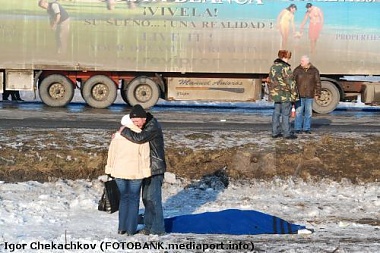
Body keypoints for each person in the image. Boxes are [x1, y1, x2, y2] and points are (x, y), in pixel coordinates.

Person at [118, 104, 166, 235]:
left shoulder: (152, 126)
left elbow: (140, 138)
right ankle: (149, 227)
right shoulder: (145, 125)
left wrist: (124, 131)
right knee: (146, 199)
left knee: (153, 199)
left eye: (137, 121)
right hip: (147, 168)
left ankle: (158, 229)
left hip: (155, 169)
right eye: (133, 122)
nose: (135, 124)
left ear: (143, 118)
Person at [105, 114, 151, 235]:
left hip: (119, 172)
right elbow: (145, 157)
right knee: (134, 200)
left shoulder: (118, 136)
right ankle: (131, 230)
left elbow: (111, 154)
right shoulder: (141, 136)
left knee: (124, 199)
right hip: (136, 173)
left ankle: (121, 228)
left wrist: (109, 169)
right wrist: (146, 171)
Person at [268, 50, 298, 139]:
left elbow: (271, 80)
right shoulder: (285, 68)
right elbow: (290, 82)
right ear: (285, 57)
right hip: (285, 94)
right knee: (285, 114)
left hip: (276, 94)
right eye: (288, 57)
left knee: (276, 113)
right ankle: (286, 133)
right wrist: (294, 94)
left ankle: (275, 132)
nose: (288, 60)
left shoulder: (273, 67)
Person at [293, 55, 321, 134]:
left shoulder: (314, 70)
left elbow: (318, 83)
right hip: (299, 95)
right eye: (301, 60)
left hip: (309, 95)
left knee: (308, 113)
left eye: (302, 61)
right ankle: (297, 128)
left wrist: (317, 93)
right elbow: (293, 82)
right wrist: (294, 93)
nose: (301, 62)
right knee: (299, 112)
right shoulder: (297, 70)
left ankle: (306, 128)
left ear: (307, 62)